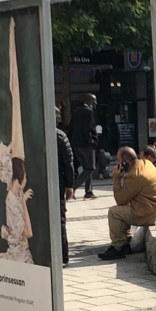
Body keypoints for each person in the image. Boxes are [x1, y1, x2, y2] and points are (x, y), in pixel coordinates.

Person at [99, 145, 156, 260]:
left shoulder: (135, 176)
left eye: (118, 161)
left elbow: (120, 201)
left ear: (125, 163)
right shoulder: (145, 164)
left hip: (148, 214)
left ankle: (117, 247)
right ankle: (125, 243)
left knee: (114, 212)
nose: (117, 163)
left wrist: (116, 179)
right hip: (155, 209)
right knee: (125, 209)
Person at [56, 106, 75, 265]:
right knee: (59, 219)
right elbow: (68, 164)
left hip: (36, 185)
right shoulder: (61, 136)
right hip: (58, 184)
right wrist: (70, 185)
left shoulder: (33, 135)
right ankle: (63, 256)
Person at [69, 93, 99, 199]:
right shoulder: (89, 112)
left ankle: (88, 191)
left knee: (86, 168)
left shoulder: (76, 111)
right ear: (90, 101)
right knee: (91, 168)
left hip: (76, 144)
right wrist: (92, 141)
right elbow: (89, 128)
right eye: (94, 101)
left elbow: (71, 127)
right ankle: (73, 187)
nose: (95, 103)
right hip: (86, 144)